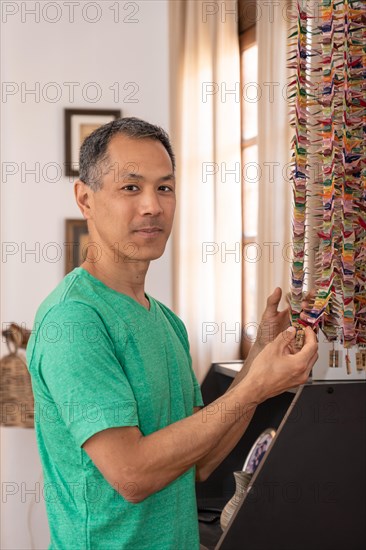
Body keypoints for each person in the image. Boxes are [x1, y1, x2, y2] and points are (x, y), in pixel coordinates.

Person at [26, 117, 318, 550]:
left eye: (165, 187)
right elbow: (132, 475)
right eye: (131, 187)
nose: (153, 206)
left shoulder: (166, 322)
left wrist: (258, 353)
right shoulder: (74, 321)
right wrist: (254, 387)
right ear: (85, 199)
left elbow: (197, 464)